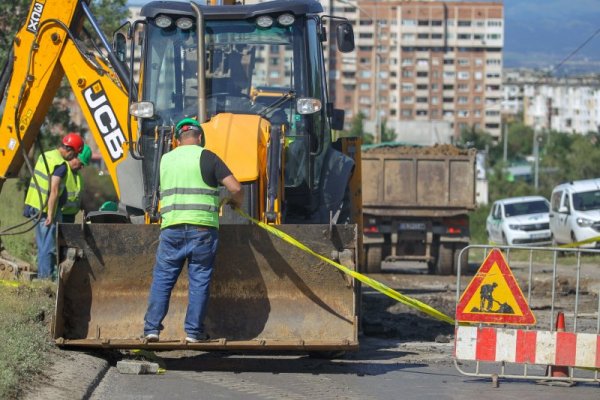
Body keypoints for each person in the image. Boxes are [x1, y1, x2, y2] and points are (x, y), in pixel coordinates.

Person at [143, 118, 243, 343]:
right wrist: (236, 202)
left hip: (172, 228)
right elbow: (236, 188)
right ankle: (193, 332)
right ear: (200, 137)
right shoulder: (208, 156)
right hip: (202, 230)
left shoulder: (165, 159)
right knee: (199, 281)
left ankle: (151, 329)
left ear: (178, 140)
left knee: (163, 279)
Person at [23, 133, 84, 279]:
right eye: (75, 154)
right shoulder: (61, 165)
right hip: (44, 210)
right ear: (70, 150)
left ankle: (43, 275)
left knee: (42, 245)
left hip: (33, 204)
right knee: (48, 247)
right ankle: (45, 278)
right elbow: (54, 190)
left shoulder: (47, 155)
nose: (74, 158)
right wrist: (50, 214)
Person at [61, 144, 91, 223]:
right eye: (81, 163)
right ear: (74, 156)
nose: (82, 167)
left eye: (83, 165)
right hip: (59, 216)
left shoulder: (79, 176)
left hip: (70, 217)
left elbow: (79, 198)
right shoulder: (61, 171)